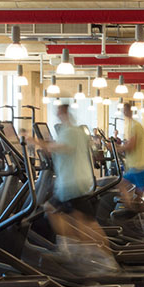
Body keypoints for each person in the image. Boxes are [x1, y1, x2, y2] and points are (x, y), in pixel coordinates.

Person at [33, 104, 106, 246]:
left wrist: (37, 142)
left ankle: (76, 249)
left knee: (51, 210)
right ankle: (86, 248)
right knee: (82, 219)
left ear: (64, 112)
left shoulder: (69, 132)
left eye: (59, 112)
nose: (57, 115)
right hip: (80, 182)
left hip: (71, 184)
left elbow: (61, 148)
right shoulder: (77, 131)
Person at [118, 102, 144, 204]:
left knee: (123, 185)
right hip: (138, 165)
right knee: (132, 190)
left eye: (125, 110)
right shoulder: (132, 125)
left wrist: (118, 148)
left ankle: (131, 208)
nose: (124, 112)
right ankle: (131, 209)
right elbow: (131, 144)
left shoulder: (134, 126)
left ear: (130, 111)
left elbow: (131, 146)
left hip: (140, 166)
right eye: (123, 110)